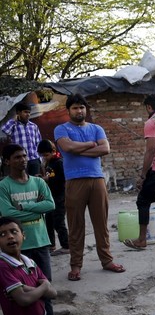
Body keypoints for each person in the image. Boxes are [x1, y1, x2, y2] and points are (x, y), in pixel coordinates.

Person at [0, 144, 65, 315]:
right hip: (17, 249)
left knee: (46, 289)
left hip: (41, 242)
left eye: (25, 155)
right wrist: (36, 212)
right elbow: (6, 215)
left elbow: (51, 205)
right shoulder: (4, 186)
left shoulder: (38, 181)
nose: (23, 159)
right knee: (21, 294)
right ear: (7, 161)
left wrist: (25, 207)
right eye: (17, 157)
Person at [54, 94, 124, 281]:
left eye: (82, 107)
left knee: (101, 224)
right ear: (68, 110)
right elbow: (67, 148)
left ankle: (107, 260)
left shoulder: (96, 128)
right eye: (75, 108)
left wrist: (80, 148)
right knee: (75, 225)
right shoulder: (61, 129)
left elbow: (105, 149)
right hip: (74, 181)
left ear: (86, 109)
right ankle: (76, 266)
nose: (79, 111)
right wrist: (91, 145)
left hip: (97, 180)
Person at [0, 217, 58, 315]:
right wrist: (43, 287)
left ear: (23, 235)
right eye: (3, 234)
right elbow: (23, 300)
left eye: (14, 231)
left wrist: (35, 289)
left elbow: (53, 293)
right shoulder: (3, 266)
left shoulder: (29, 262)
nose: (10, 236)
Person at [124, 94, 155, 251]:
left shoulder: (151, 122)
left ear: (149, 107)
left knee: (143, 200)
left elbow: (150, 150)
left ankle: (141, 240)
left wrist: (143, 174)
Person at [37, 140, 69, 256]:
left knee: (58, 221)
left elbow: (63, 179)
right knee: (48, 221)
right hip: (50, 196)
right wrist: (42, 177)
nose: (44, 157)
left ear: (53, 151)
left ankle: (66, 245)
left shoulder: (59, 163)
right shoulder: (48, 163)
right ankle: (51, 245)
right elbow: (50, 176)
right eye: (42, 155)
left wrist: (47, 179)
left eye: (46, 155)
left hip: (60, 196)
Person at [2, 102, 43, 176]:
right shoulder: (14, 125)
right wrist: (14, 119)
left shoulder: (34, 126)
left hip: (34, 159)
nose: (28, 114)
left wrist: (40, 159)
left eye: (29, 112)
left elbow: (39, 142)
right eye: (25, 112)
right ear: (18, 113)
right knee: (22, 181)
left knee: (35, 182)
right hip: (21, 160)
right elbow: (5, 130)